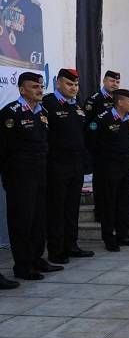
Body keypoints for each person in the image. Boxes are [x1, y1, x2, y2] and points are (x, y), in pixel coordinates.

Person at [0, 72, 63, 281]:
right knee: (22, 221)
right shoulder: (11, 113)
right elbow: (5, 148)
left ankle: (37, 259)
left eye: (41, 86)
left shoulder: (42, 112)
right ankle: (23, 265)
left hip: (40, 173)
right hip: (20, 177)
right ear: (22, 89)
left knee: (38, 219)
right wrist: (10, 176)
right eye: (34, 86)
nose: (39, 90)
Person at [43, 68, 94, 265]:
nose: (73, 88)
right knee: (56, 208)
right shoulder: (48, 103)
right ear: (58, 83)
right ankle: (56, 250)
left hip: (75, 164)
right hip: (57, 165)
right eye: (69, 84)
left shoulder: (76, 106)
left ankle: (71, 245)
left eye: (76, 85)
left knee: (72, 207)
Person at [87, 89, 129, 252]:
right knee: (109, 203)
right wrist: (103, 159)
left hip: (126, 166)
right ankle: (109, 237)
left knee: (124, 202)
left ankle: (123, 235)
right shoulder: (102, 118)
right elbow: (90, 141)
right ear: (120, 102)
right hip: (108, 167)